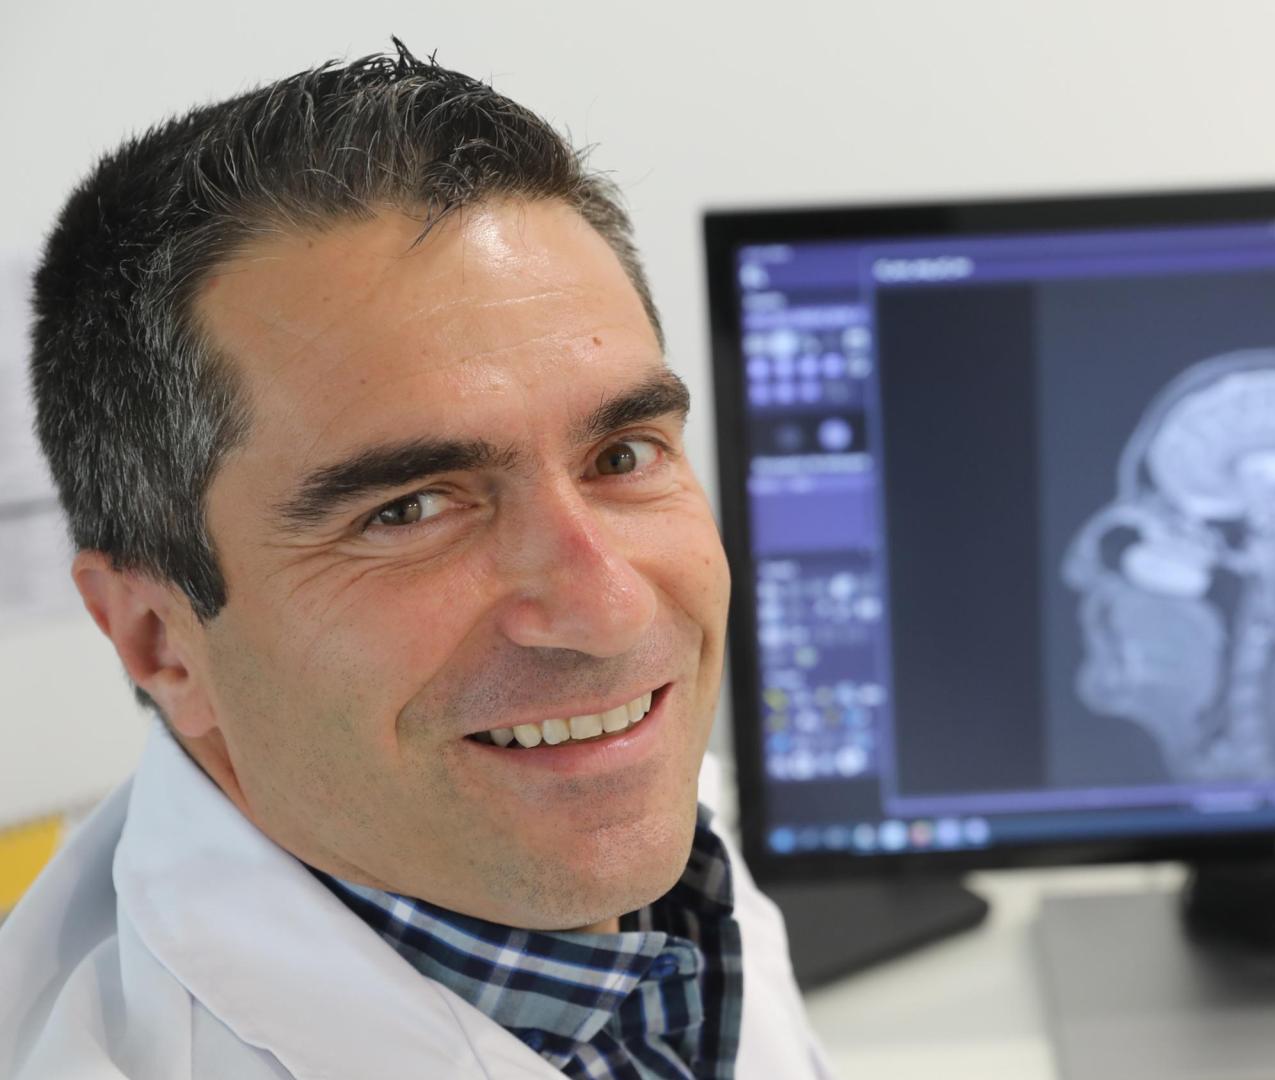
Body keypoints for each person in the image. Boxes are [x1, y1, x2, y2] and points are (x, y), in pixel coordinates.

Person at [0, 42, 832, 1079]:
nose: (608, 609)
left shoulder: (602, 830)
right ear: (160, 640)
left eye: (622, 455)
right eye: (411, 510)